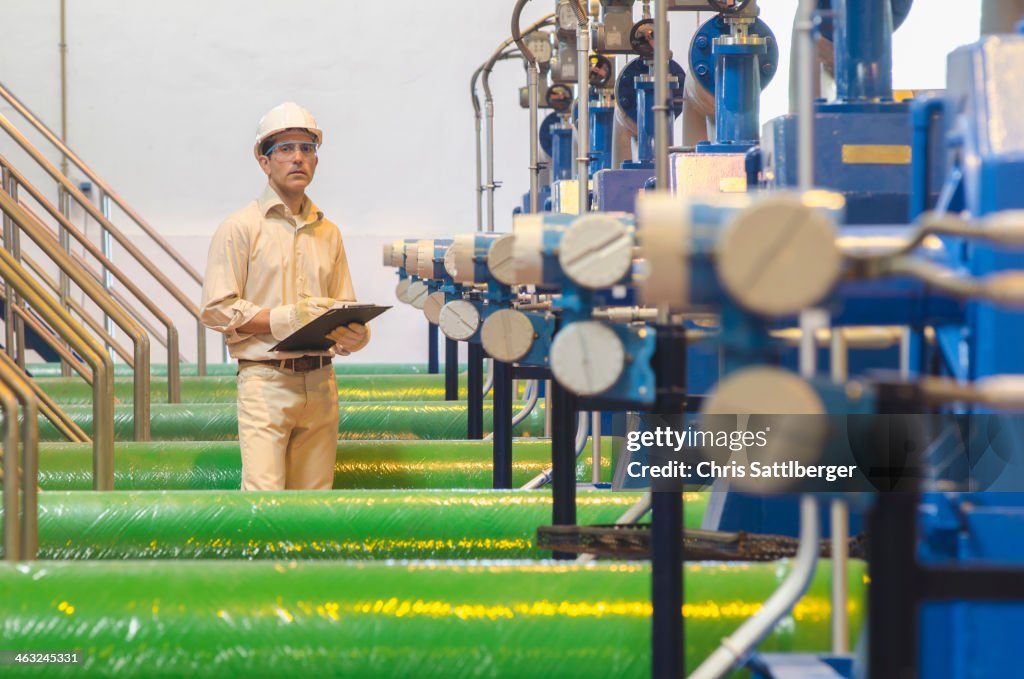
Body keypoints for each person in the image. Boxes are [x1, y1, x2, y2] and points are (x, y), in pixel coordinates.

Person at [201, 102, 370, 490]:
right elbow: (215, 309)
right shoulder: (240, 228)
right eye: (286, 149)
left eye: (307, 149)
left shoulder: (329, 233)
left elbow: (343, 305)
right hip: (265, 381)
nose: (298, 158)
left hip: (322, 382)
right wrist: (285, 319)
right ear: (264, 161)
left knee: (314, 506)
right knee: (264, 503)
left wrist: (355, 335)